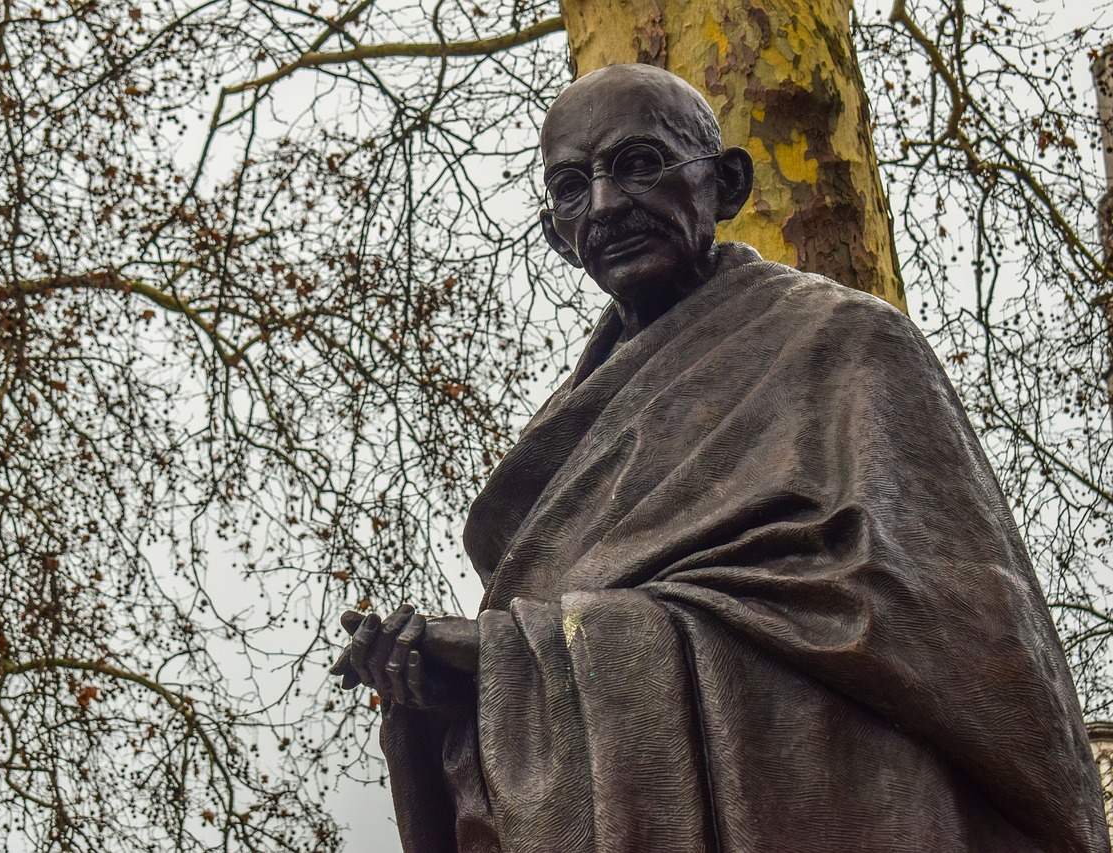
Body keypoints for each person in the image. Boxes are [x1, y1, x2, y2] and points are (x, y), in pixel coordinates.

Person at [331, 63, 1110, 852]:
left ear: (726, 185)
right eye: (571, 186)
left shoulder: (846, 342)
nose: (604, 206)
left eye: (639, 164)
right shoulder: (567, 434)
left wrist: (514, 646)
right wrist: (462, 684)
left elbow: (941, 630)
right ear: (555, 235)